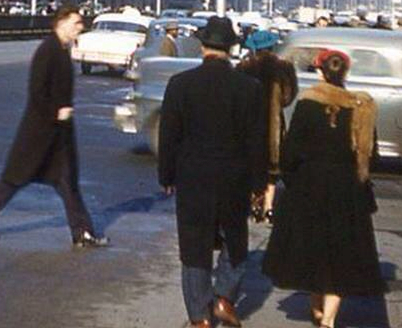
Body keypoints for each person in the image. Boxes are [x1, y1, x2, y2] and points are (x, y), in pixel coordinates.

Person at [262, 49, 383, 328]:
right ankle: (328, 319)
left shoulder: (307, 105)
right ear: (345, 74)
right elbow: (370, 155)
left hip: (309, 189)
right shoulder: (360, 107)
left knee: (314, 251)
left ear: (320, 72)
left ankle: (317, 307)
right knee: (341, 256)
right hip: (347, 192)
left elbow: (290, 153)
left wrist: (291, 181)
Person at [158, 16, 266, 328]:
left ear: (203, 46)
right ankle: (224, 298)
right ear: (231, 49)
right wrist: (259, 183)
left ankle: (198, 317)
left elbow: (169, 137)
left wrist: (167, 176)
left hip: (193, 177)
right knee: (235, 239)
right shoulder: (250, 88)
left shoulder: (180, 85)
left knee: (194, 245)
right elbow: (256, 141)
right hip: (234, 177)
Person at [0, 4, 108, 247]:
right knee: (14, 179)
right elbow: (37, 91)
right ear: (62, 22)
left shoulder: (62, 49)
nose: (80, 27)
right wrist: (57, 112)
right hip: (40, 132)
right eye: (76, 23)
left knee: (68, 183)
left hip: (58, 133)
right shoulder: (48, 50)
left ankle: (82, 232)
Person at [238, 29, 298, 222]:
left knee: (250, 163)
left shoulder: (244, 67)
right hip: (273, 123)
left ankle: (253, 203)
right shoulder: (284, 68)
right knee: (272, 166)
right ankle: (269, 207)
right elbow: (288, 97)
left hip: (248, 123)